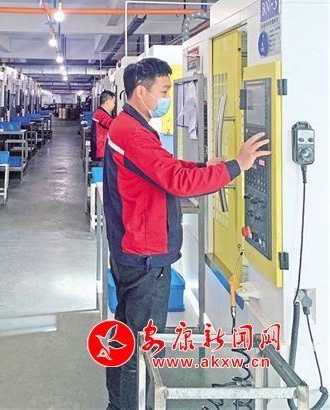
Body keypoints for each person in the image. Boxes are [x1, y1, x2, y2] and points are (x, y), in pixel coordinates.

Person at [103, 58, 270, 410]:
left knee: (126, 340)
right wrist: (237, 166)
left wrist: (204, 166)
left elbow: (163, 168)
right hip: (145, 256)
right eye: (164, 91)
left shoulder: (129, 126)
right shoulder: (134, 133)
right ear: (141, 92)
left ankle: (118, 404)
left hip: (131, 248)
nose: (167, 98)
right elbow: (177, 182)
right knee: (143, 350)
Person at [90, 90, 116, 166]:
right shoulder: (100, 114)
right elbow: (111, 124)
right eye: (113, 102)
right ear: (107, 102)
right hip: (101, 152)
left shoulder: (101, 113)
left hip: (102, 151)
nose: (114, 105)